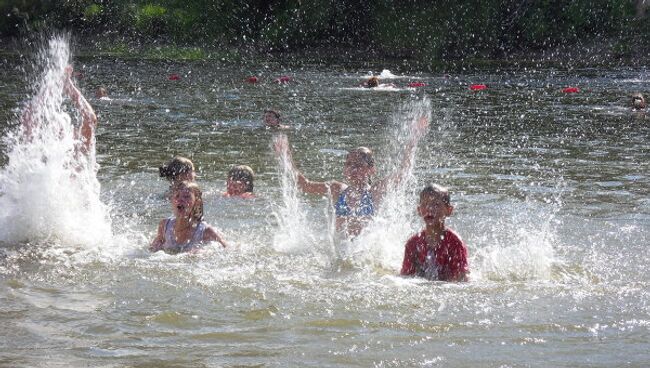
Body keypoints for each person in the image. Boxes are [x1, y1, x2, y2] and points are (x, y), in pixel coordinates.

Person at [273, 115, 428, 237]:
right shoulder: (337, 189)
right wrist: (286, 157)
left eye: (358, 165)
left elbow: (404, 172)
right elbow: (304, 185)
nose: (352, 169)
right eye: (349, 165)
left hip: (364, 250)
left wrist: (413, 140)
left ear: (371, 170)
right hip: (341, 247)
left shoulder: (376, 190)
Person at [400, 184, 468, 281]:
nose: (430, 209)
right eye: (425, 204)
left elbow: (461, 280)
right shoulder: (412, 244)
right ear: (419, 210)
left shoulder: (455, 243)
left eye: (436, 204)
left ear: (449, 210)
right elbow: (405, 278)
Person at [150, 181, 228, 253]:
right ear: (172, 201)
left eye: (187, 197)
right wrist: (155, 247)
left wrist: (204, 252)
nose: (181, 199)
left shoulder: (205, 231)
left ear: (197, 202)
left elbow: (226, 249)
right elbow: (153, 248)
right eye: (177, 196)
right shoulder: (164, 226)